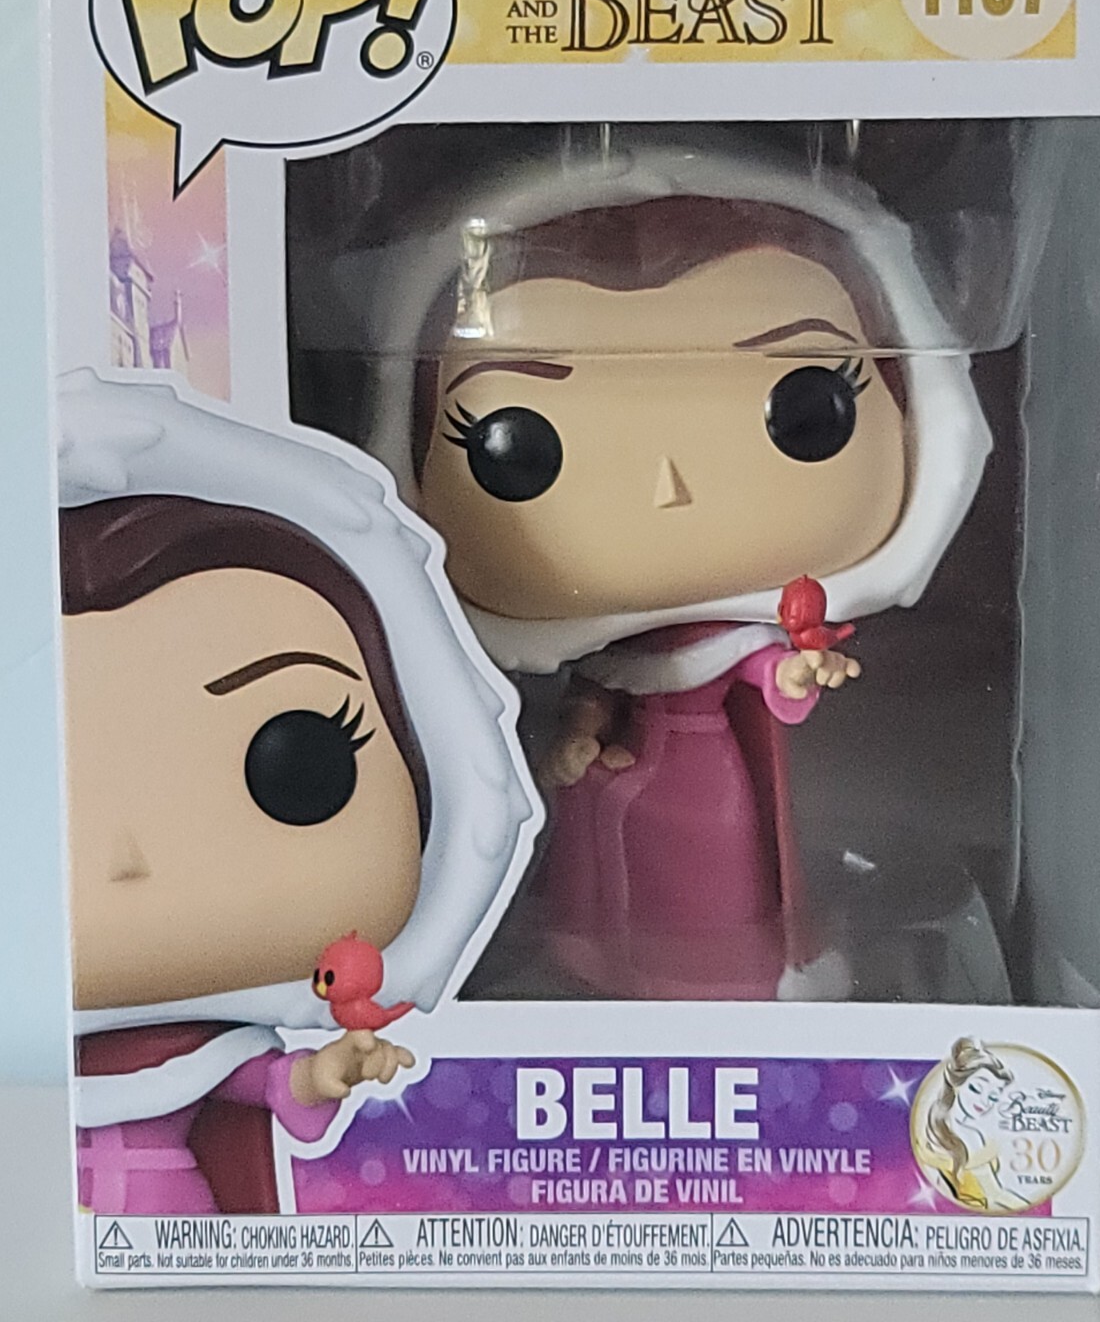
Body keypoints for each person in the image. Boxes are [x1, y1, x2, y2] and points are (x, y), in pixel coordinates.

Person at [368, 141, 991, 1000]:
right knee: (601, 898)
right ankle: (608, 970)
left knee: (720, 879)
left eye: (808, 410)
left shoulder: (748, 636)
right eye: (516, 447)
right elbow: (596, 692)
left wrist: (794, 671)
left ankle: (727, 973)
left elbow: (766, 679)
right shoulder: (593, 650)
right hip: (613, 789)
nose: (669, 485)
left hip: (712, 783)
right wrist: (576, 735)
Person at [60, 371, 538, 1213]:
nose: (123, 857)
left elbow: (281, 1085)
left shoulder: (204, 1052)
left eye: (300, 767)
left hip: (182, 1226)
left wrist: (329, 1071)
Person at [920, 1036, 1030, 1212]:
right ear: (956, 1085)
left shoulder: (945, 1130)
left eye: (993, 1097)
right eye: (976, 1089)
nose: (984, 1102)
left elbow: (993, 1195)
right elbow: (995, 1195)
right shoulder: (966, 1135)